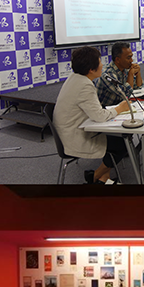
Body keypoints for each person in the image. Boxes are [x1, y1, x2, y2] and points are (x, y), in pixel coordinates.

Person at [54, 46, 130, 184]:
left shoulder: (75, 78)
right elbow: (99, 116)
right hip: (74, 137)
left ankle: (103, 178)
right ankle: (94, 176)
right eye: (100, 62)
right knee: (121, 144)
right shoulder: (85, 85)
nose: (102, 65)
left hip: (70, 130)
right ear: (91, 69)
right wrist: (120, 108)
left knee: (117, 139)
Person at [95, 42, 142, 107]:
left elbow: (138, 86)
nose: (131, 60)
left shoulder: (125, 68)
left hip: (117, 107)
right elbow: (125, 94)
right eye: (128, 58)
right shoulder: (108, 73)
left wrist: (138, 72)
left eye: (131, 57)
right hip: (104, 111)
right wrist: (131, 74)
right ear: (117, 59)